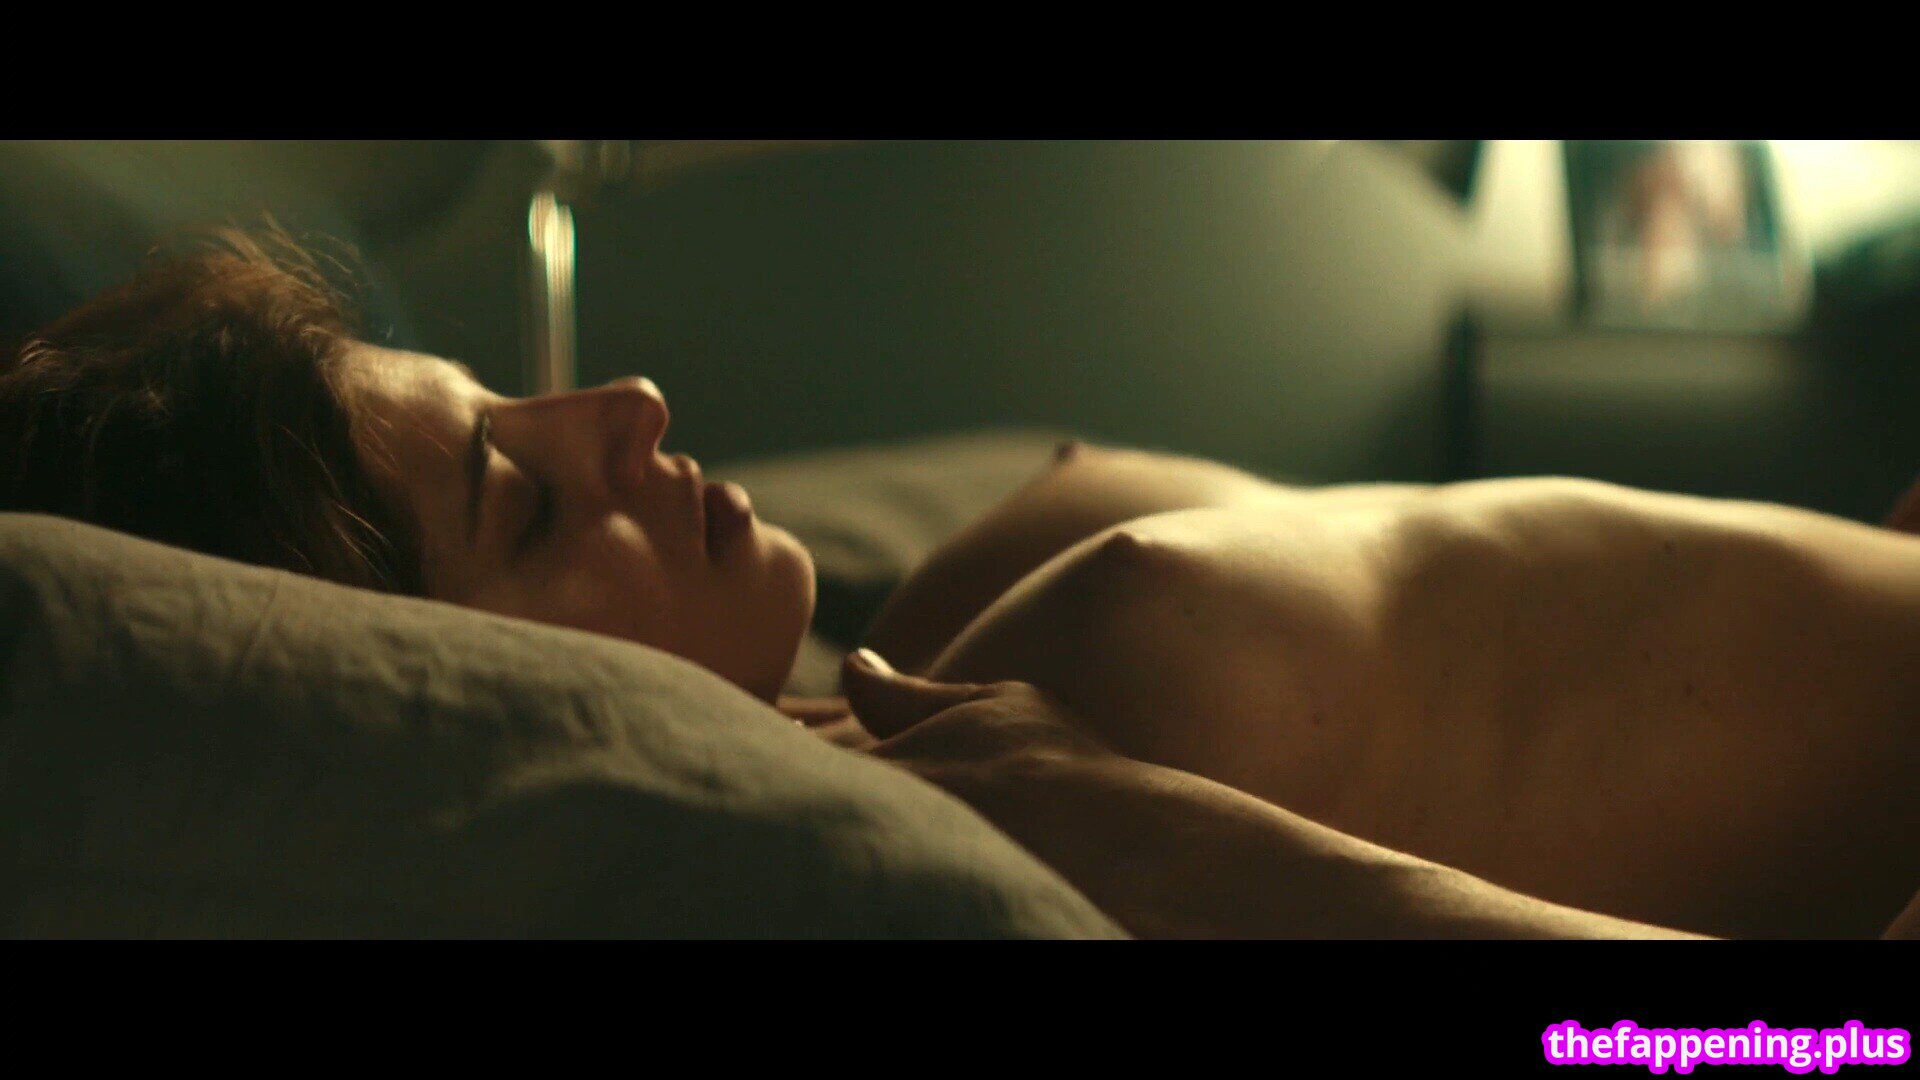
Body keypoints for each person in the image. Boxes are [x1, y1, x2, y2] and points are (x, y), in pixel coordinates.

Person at [4, 231, 1916, 939]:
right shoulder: (1073, 824)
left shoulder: (923, 662)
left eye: (519, 396)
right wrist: (1249, 875)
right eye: (520, 502)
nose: (630, 409)